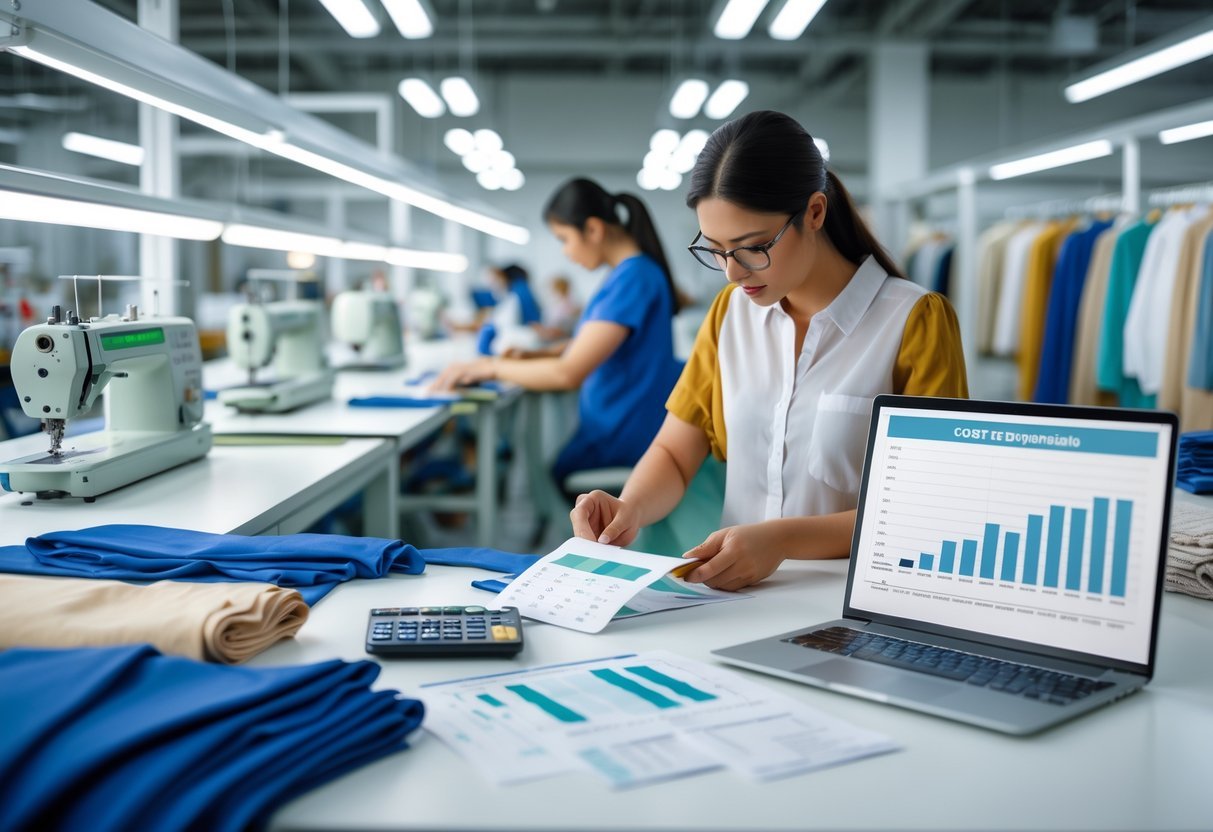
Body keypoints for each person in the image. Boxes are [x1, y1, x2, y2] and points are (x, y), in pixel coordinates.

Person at [570, 110, 969, 591]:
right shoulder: (729, 314)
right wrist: (629, 506)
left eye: (751, 247)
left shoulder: (913, 322)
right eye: (715, 249)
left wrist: (782, 541)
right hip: (734, 599)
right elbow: (676, 452)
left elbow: (927, 504)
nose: (732, 273)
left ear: (815, 212)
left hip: (856, 601)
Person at [432, 177, 683, 487]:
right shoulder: (633, 273)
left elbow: (568, 374)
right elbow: (596, 346)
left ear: (593, 229)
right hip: (625, 420)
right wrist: (536, 354)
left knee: (555, 474)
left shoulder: (633, 278)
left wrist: (489, 367)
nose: (565, 252)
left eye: (564, 238)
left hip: (622, 430)